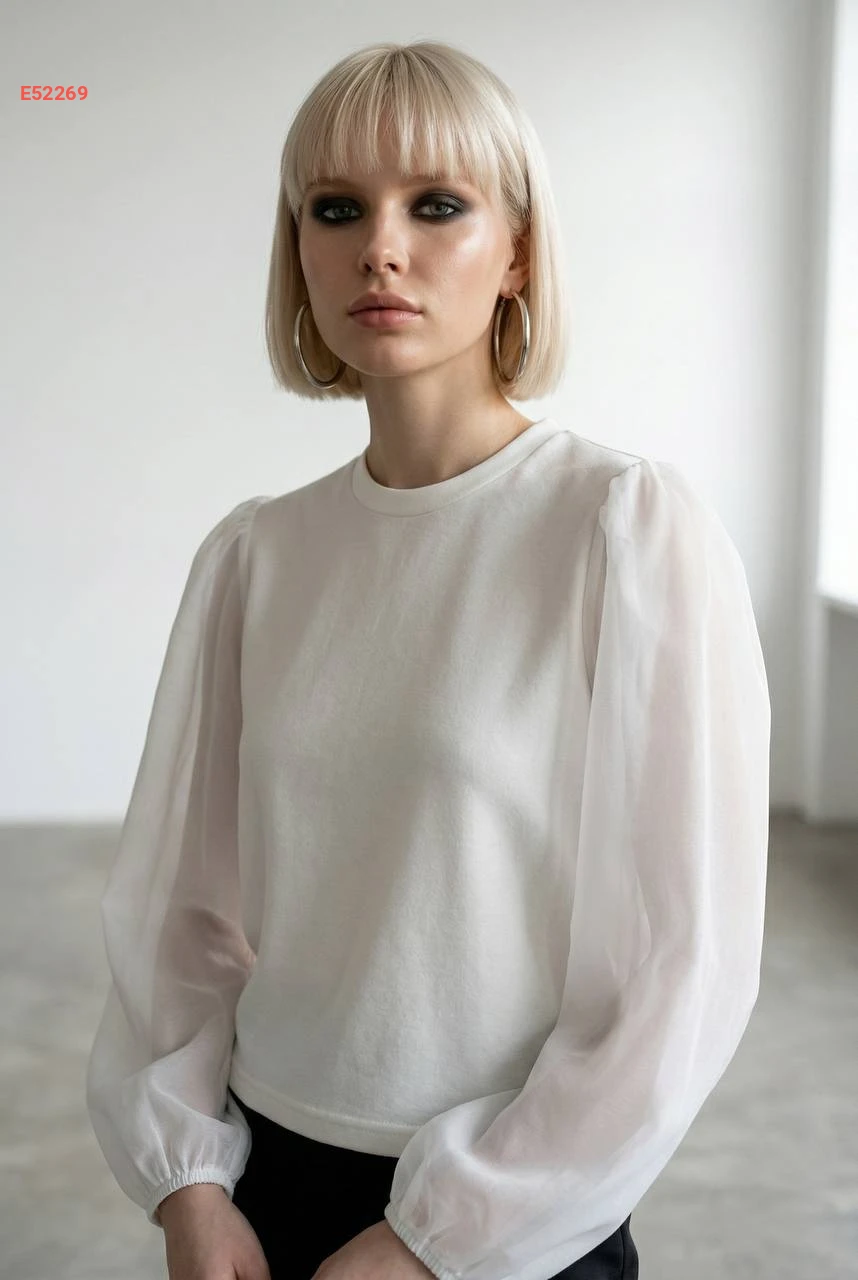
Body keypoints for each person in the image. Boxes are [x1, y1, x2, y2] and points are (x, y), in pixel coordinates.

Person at [85, 38, 771, 1280]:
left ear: (518, 253)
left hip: (514, 1213)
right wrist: (187, 1180)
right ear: (299, 248)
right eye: (336, 209)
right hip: (264, 1187)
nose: (380, 249)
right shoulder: (256, 554)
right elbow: (176, 915)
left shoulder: (622, 530)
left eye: (437, 205)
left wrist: (436, 1238)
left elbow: (679, 965)